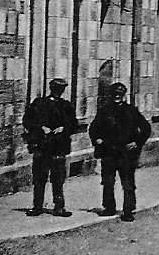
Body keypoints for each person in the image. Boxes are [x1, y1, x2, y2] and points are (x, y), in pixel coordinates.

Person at [89, 82, 151, 222]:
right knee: (108, 181)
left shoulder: (131, 111)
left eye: (120, 94)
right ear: (111, 95)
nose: (117, 96)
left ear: (123, 95)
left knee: (127, 182)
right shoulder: (104, 110)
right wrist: (96, 139)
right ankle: (109, 207)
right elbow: (93, 128)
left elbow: (146, 128)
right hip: (109, 152)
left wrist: (137, 142)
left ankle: (128, 210)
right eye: (115, 94)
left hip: (126, 153)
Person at [22, 78, 78, 217]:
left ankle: (59, 207)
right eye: (57, 88)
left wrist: (63, 128)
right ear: (51, 88)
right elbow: (27, 121)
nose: (59, 91)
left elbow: (74, 124)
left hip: (58, 147)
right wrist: (41, 128)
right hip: (42, 146)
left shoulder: (66, 106)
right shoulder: (39, 103)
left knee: (58, 179)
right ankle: (37, 207)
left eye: (61, 89)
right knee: (39, 178)